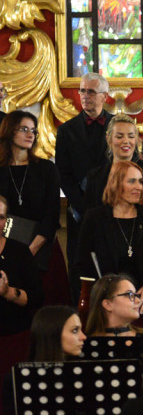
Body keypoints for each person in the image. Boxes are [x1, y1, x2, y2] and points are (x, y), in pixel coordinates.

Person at [75, 160, 143, 319]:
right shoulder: (95, 218)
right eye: (132, 181)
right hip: (106, 305)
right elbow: (82, 264)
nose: (138, 187)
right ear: (116, 184)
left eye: (141, 182)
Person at [0, 110, 68, 306]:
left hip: (42, 249)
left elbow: (51, 215)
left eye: (33, 130)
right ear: (9, 131)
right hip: (5, 250)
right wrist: (13, 254)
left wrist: (29, 251)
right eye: (24, 129)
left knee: (47, 307)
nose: (31, 134)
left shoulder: (47, 169)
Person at [55, 73, 111, 296]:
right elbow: (63, 175)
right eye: (82, 91)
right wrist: (83, 207)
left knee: (111, 269)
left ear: (104, 96)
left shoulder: (119, 125)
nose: (85, 96)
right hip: (80, 212)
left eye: (91, 91)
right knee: (80, 270)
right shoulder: (66, 131)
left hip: (112, 209)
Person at [83, 113, 143, 214]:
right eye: (119, 136)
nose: (126, 141)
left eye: (131, 136)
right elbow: (89, 215)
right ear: (109, 139)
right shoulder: (95, 175)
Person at [0, 193, 44, 374]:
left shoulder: (19, 251)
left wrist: (8, 292)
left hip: (14, 338)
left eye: (1, 217)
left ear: (6, 221)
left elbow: (36, 298)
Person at [83, 273, 143, 337]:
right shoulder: (84, 342)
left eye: (136, 295)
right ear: (108, 304)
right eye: (129, 295)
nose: (138, 300)